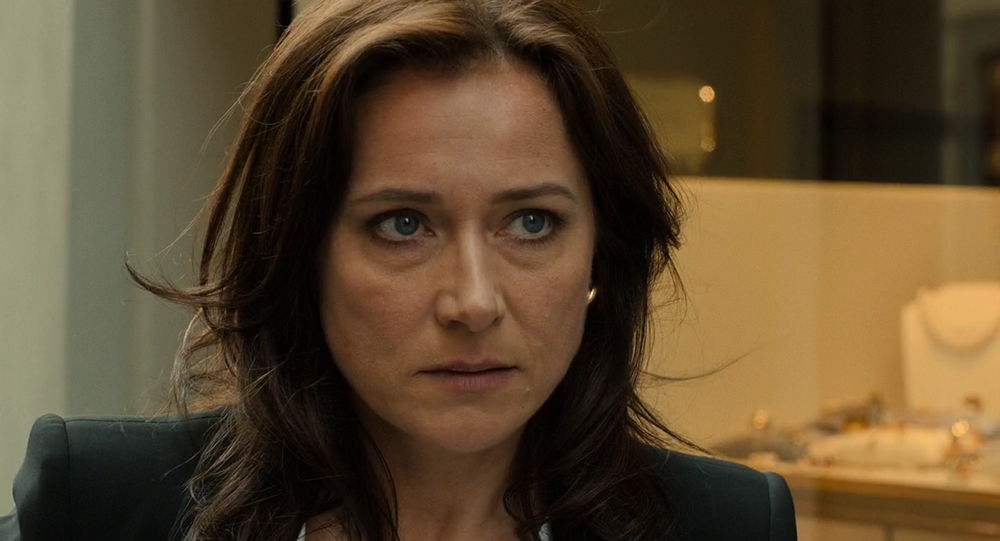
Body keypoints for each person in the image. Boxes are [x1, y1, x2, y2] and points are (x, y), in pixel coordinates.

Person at [1, 0, 797, 540]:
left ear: (602, 251)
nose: (473, 301)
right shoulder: (100, 505)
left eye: (532, 222)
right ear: (300, 251)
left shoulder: (724, 524)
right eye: (403, 224)